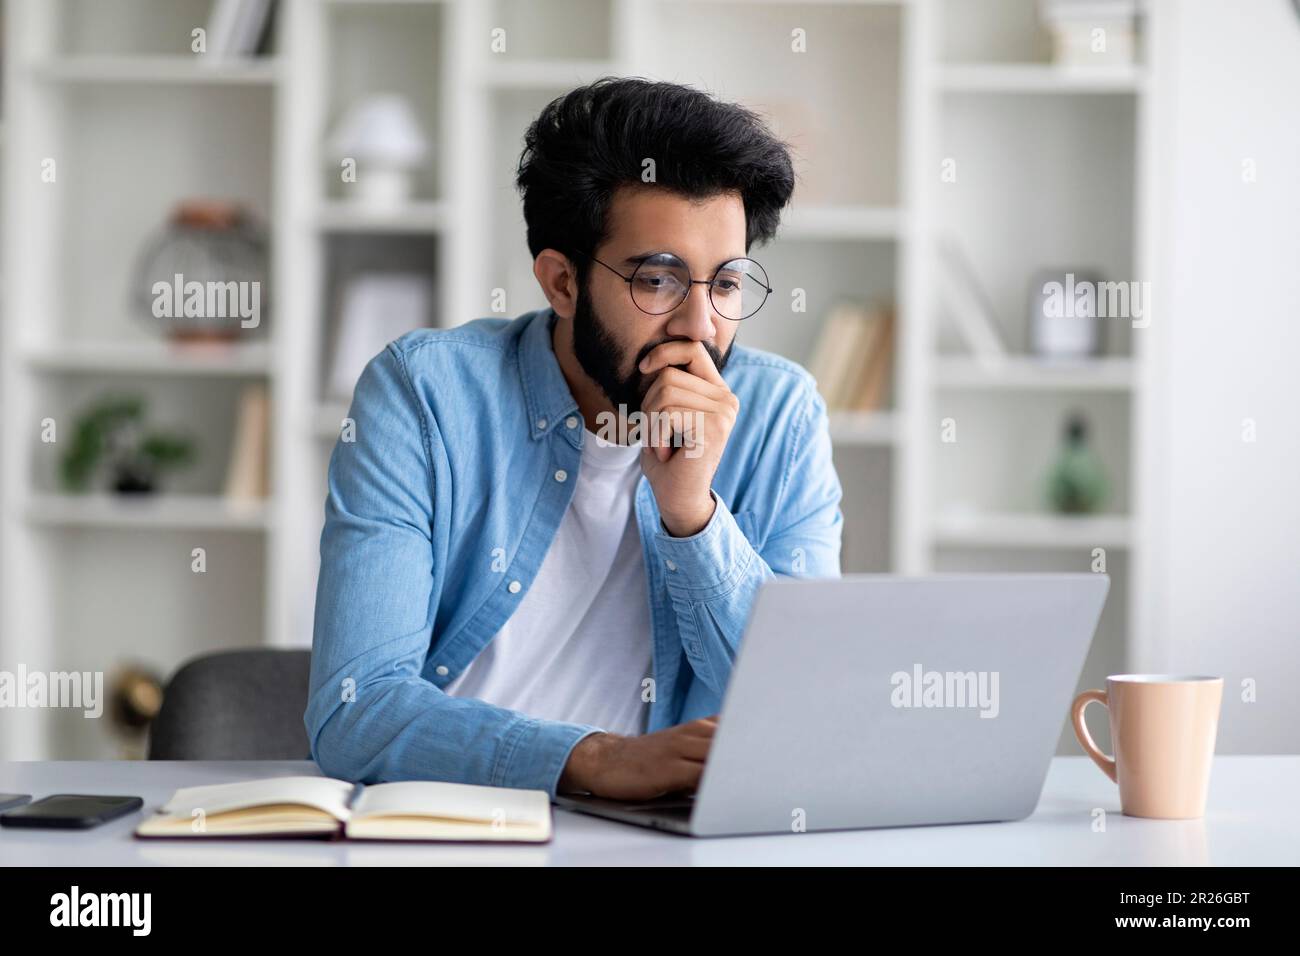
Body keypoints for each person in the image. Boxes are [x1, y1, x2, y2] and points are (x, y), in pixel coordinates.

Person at [306, 77, 844, 801]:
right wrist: (592, 761)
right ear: (561, 282)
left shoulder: (782, 414)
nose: (700, 327)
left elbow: (805, 711)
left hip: (658, 846)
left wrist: (693, 515)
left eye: (726, 283)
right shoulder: (423, 394)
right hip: (447, 822)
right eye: (658, 280)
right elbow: (355, 709)